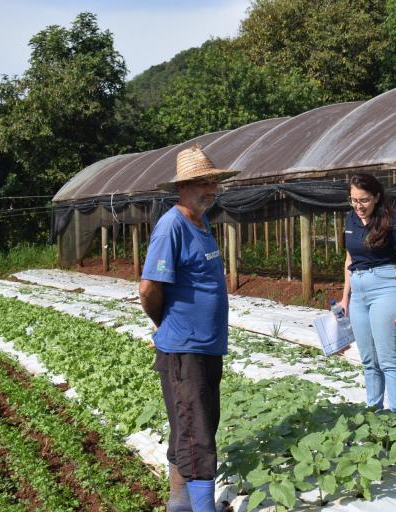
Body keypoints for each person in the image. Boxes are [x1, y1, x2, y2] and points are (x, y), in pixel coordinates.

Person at [139, 146, 237, 512]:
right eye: (204, 183)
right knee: (196, 434)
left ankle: (178, 503)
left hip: (207, 346)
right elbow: (148, 289)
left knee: (195, 427)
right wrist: (166, 323)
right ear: (184, 186)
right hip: (185, 348)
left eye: (214, 182)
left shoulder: (201, 221)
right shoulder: (172, 227)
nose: (212, 189)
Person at [338, 173, 396, 417]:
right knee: (369, 360)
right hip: (358, 290)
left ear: (377, 197)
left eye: (364, 200)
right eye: (353, 200)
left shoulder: (392, 221)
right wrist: (345, 298)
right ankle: (373, 414)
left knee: (388, 359)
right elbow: (349, 259)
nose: (358, 206)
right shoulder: (350, 219)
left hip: (386, 287)